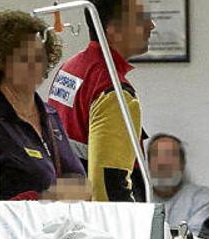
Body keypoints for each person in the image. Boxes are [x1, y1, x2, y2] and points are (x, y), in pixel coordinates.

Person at [0, 11, 86, 201]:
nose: (34, 66)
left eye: (40, 57)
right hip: (7, 229)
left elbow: (78, 181)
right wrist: (42, 199)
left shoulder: (50, 115)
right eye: (24, 58)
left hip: (56, 227)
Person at [47, 0, 155, 202]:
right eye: (141, 20)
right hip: (101, 221)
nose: (151, 25)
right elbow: (108, 186)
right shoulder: (113, 91)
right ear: (114, 31)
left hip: (68, 209)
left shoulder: (69, 70)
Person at [147, 134, 209, 234]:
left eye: (170, 155)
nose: (163, 162)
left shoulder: (200, 197)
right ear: (148, 164)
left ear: (182, 163)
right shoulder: (136, 198)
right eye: (156, 155)